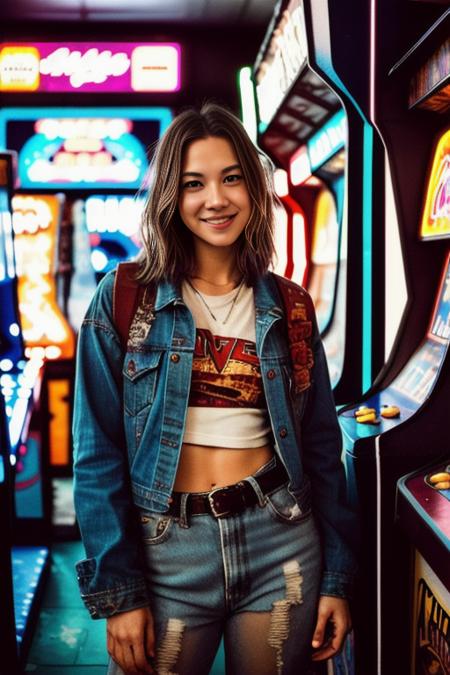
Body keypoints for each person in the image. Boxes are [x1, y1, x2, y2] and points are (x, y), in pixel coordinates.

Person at [73, 102, 358, 675]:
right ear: (170, 200)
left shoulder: (290, 303)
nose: (216, 199)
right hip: (166, 551)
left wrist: (335, 577)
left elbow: (323, 448)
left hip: (281, 542)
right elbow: (97, 451)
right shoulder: (126, 297)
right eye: (194, 184)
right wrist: (120, 590)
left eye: (232, 179)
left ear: (253, 189)